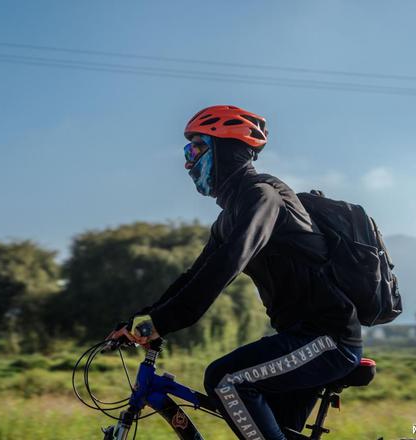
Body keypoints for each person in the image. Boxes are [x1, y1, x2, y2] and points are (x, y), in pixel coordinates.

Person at [108, 105, 363, 440]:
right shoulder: (230, 215)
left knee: (224, 378)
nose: (187, 162)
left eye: (195, 149)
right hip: (298, 336)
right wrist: (142, 319)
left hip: (327, 338)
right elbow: (195, 275)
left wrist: (161, 322)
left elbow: (228, 263)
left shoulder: (262, 196)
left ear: (224, 148)